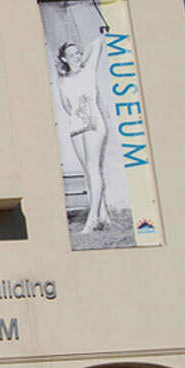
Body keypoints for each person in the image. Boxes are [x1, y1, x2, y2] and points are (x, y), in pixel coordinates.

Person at [56, 21, 112, 233]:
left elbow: (96, 45)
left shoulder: (89, 69)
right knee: (88, 172)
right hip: (76, 126)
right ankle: (103, 215)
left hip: (93, 123)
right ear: (64, 58)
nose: (77, 56)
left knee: (93, 169)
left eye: (78, 52)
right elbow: (66, 106)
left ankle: (92, 219)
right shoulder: (63, 81)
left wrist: (91, 42)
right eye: (72, 54)